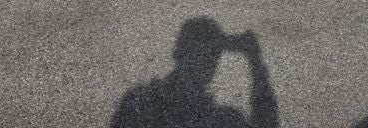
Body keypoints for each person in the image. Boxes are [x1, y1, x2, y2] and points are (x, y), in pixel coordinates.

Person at [110, 18, 279, 128]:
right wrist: (254, 59)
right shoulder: (228, 115)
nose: (213, 61)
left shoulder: (134, 99)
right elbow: (267, 120)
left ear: (177, 51)